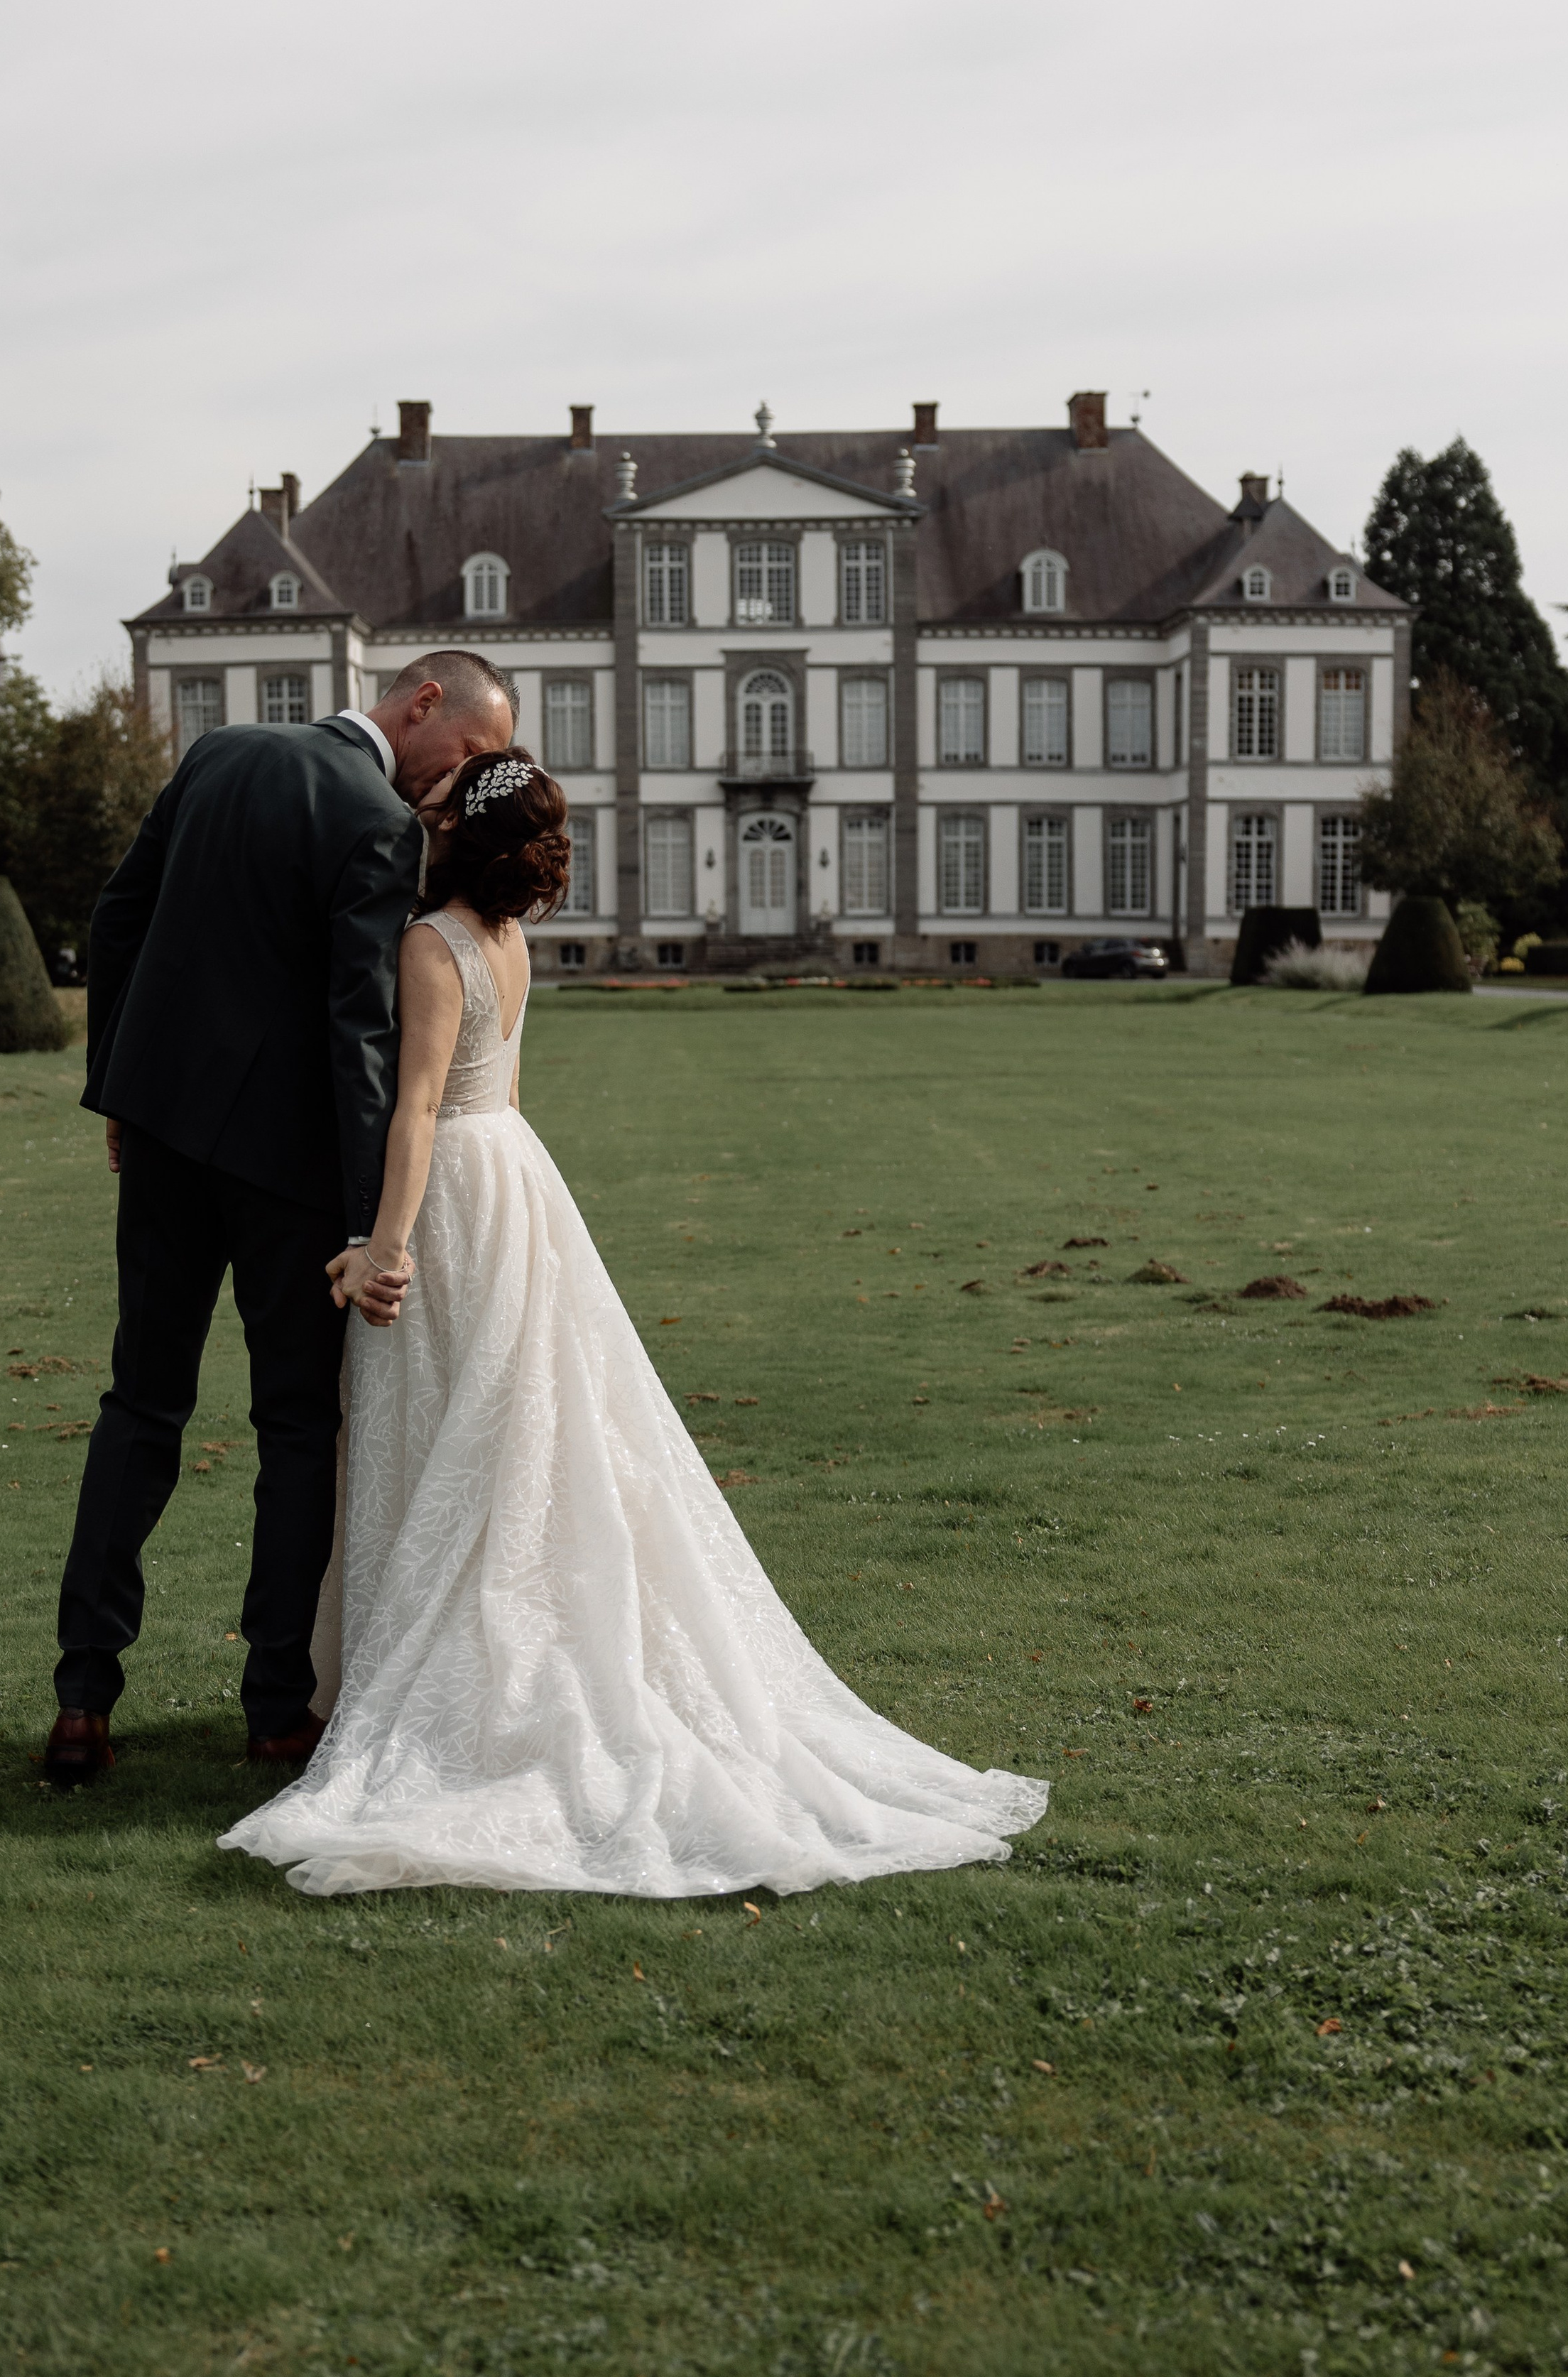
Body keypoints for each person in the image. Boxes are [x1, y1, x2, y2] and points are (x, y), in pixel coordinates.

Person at [222, 749, 1048, 1897]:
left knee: (460, 1428)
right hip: (517, 1177)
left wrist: (385, 1248)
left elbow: (416, 1107)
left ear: (463, 834)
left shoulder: (429, 943)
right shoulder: (508, 944)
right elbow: (503, 1094)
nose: (423, 813)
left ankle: (462, 1681)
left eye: (440, 806)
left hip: (458, 1189)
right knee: (523, 1429)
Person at [43, 652, 515, 1790]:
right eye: (476, 752)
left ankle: (81, 1698)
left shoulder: (219, 754)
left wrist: (118, 1089)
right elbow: (359, 1028)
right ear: (420, 707)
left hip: (160, 1140)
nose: (473, 780)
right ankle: (273, 1712)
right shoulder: (380, 823)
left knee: (138, 1404)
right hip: (285, 1175)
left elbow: (120, 917)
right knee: (297, 1430)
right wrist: (370, 1230)